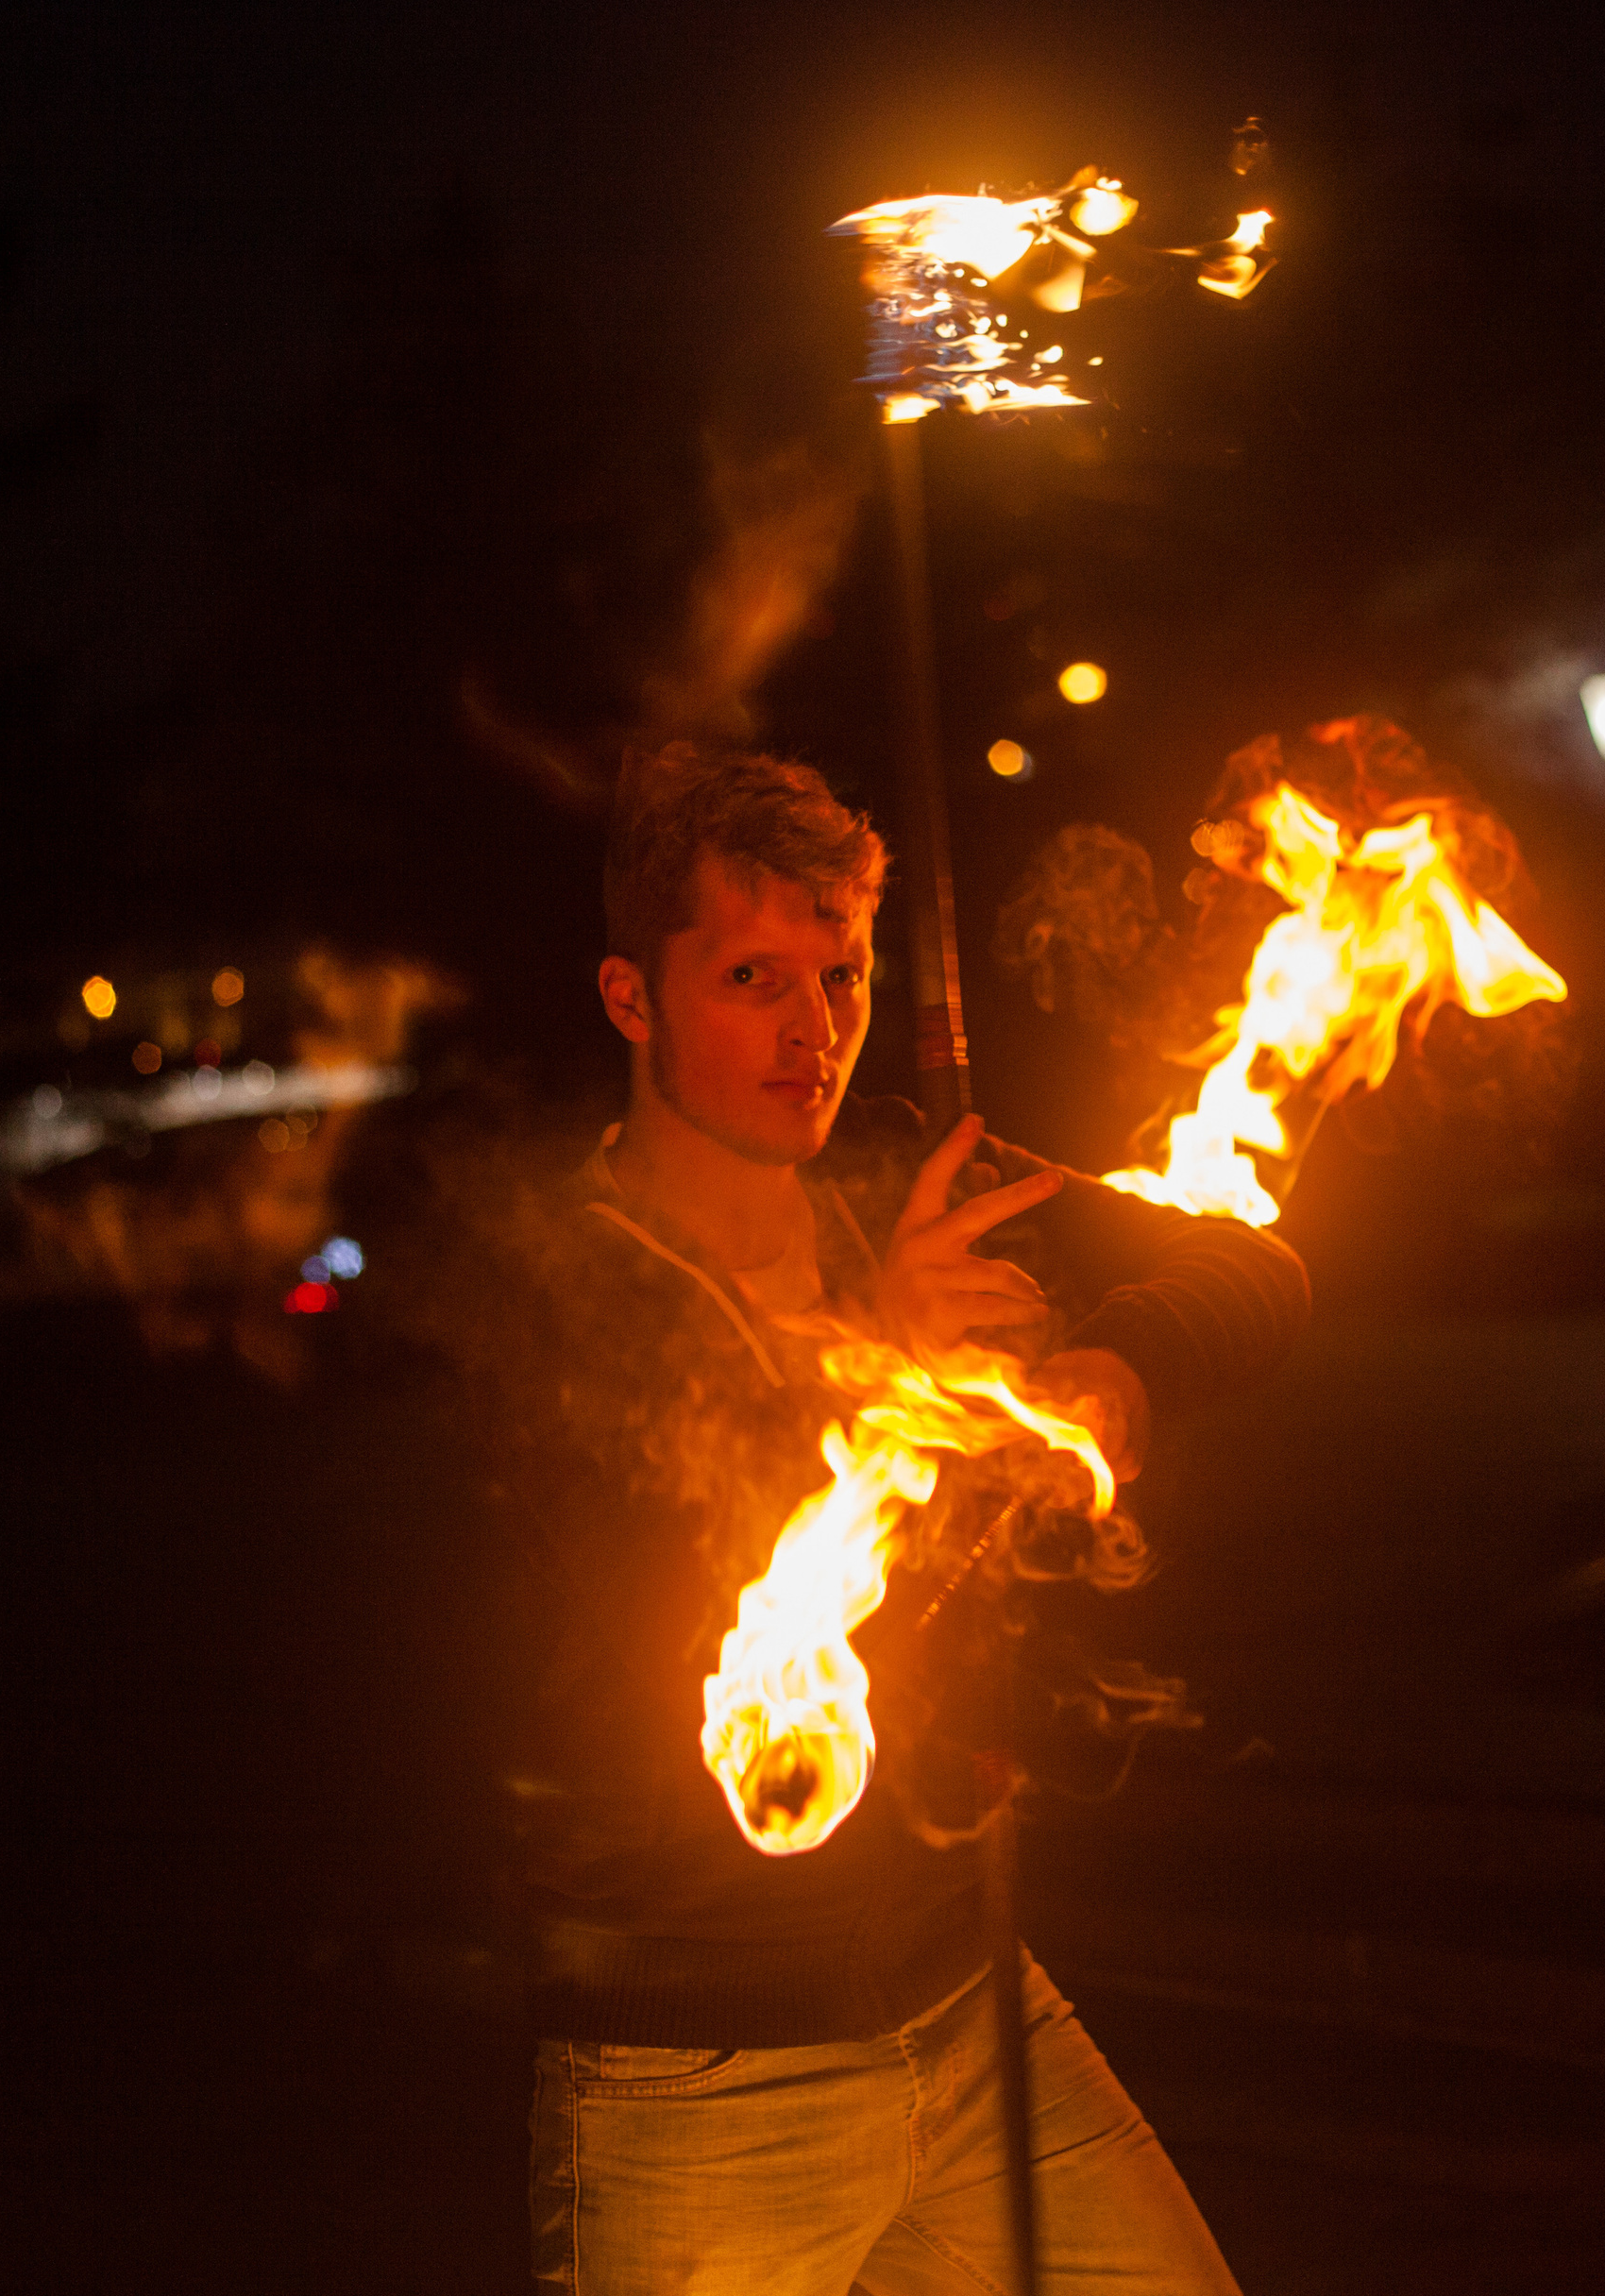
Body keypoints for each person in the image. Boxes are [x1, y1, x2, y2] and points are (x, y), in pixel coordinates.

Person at [499, 743, 1309, 2295]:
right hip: (703, 2073)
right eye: (752, 976)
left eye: (843, 972)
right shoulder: (558, 1289)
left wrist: (1110, 1370)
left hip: (974, 2007)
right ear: (629, 1000)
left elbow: (1255, 1266)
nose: (816, 1033)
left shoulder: (908, 1173)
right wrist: (874, 1358)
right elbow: (654, 1641)